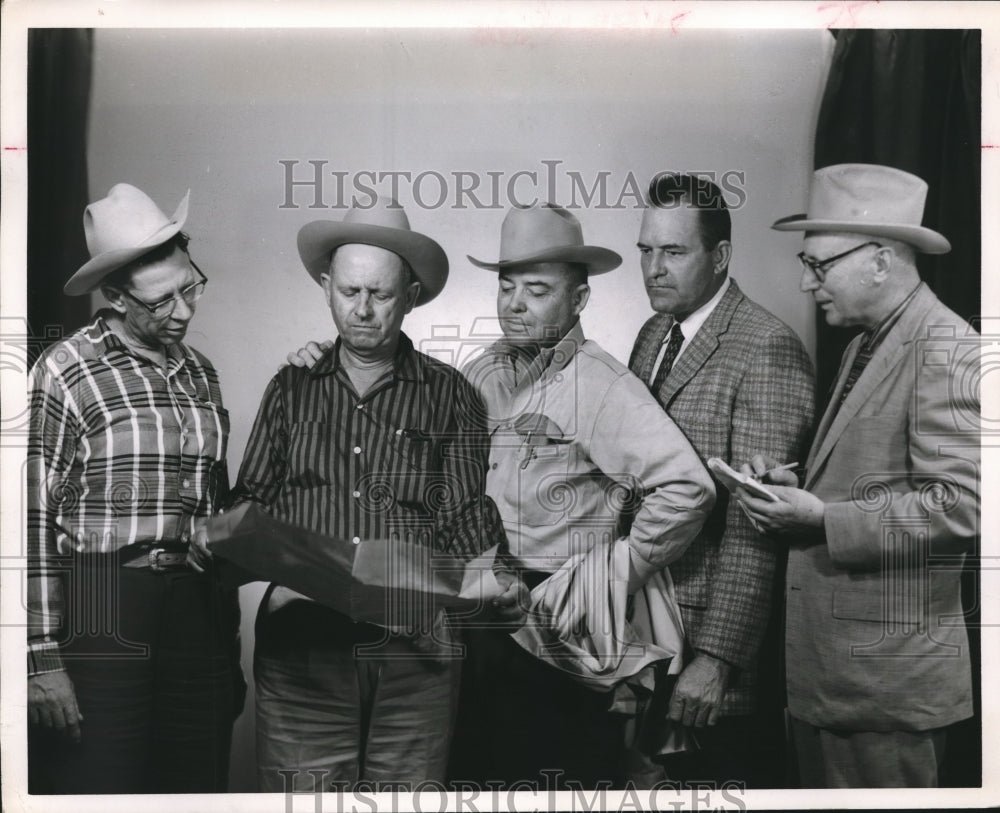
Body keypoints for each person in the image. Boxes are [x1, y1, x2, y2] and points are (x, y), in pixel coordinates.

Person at [202, 197, 513, 791]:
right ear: (326, 288)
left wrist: (493, 576)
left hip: (415, 655)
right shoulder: (291, 387)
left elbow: (464, 517)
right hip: (302, 651)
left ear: (411, 296)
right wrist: (233, 541)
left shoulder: (452, 395)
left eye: (381, 294)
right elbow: (252, 501)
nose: (363, 310)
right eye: (349, 292)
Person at [448, 202, 716, 788]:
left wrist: (608, 578)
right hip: (484, 616)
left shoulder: (600, 384)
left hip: (559, 629)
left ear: (579, 299)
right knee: (478, 780)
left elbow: (687, 488)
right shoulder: (482, 373)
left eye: (537, 290)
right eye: (506, 286)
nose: (515, 304)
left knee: (560, 782)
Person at [738, 163, 979, 788]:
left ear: (879, 262)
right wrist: (798, 490)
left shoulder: (948, 348)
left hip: (885, 690)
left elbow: (963, 508)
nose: (805, 282)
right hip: (840, 679)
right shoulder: (864, 344)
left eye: (818, 265)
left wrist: (823, 519)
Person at [27, 183, 243, 794]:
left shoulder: (201, 374)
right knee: (103, 785)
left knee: (195, 786)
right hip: (103, 600)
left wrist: (225, 646)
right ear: (116, 297)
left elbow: (215, 507)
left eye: (189, 287)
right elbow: (29, 517)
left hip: (196, 609)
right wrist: (40, 658)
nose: (184, 312)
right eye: (161, 301)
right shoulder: (65, 370)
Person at [626, 173, 815, 786]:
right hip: (649, 632)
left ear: (720, 256)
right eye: (646, 250)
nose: (654, 268)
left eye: (673, 251)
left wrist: (717, 659)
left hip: (709, 651)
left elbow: (756, 523)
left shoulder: (766, 348)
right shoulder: (655, 333)